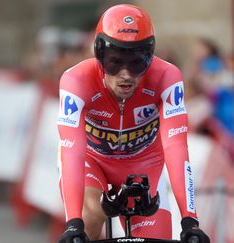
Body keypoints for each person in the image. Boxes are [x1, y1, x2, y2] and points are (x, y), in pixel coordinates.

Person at [57, 4, 210, 243]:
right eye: (115, 62)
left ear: (150, 57)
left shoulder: (167, 77)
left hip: (144, 165)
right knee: (89, 218)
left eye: (137, 62)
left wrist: (190, 220)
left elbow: (176, 147)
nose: (126, 74)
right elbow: (71, 150)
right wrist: (73, 223)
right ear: (99, 56)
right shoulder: (76, 80)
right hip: (92, 160)